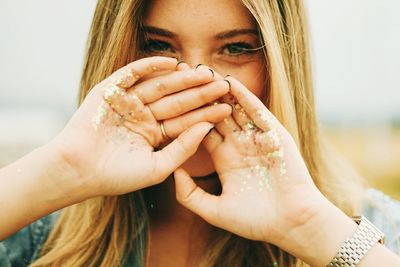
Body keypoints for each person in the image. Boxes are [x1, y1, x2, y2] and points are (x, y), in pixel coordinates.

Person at [0, 0, 399, 266]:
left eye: (237, 48)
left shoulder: (374, 231)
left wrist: (310, 227)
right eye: (157, 45)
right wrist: (63, 170)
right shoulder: (37, 235)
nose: (194, 84)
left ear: (282, 64)